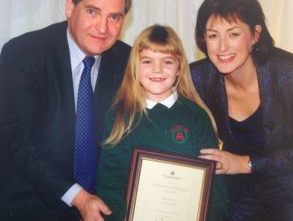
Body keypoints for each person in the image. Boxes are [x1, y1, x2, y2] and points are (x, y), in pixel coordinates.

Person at [0, 0, 132, 221]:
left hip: (103, 208)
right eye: (93, 11)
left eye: (114, 17)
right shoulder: (23, 54)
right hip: (31, 206)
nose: (103, 28)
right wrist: (78, 197)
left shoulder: (130, 61)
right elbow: (18, 140)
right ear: (70, 6)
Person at [190, 0, 293, 221]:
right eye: (213, 35)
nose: (222, 47)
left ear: (256, 34)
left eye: (233, 34)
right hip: (242, 188)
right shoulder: (198, 77)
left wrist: (245, 163)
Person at [96, 24, 229, 221]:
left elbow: (214, 185)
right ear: (135, 67)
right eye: (147, 61)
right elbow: (110, 180)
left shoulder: (197, 117)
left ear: (179, 68)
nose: (157, 69)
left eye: (167, 62)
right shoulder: (120, 115)